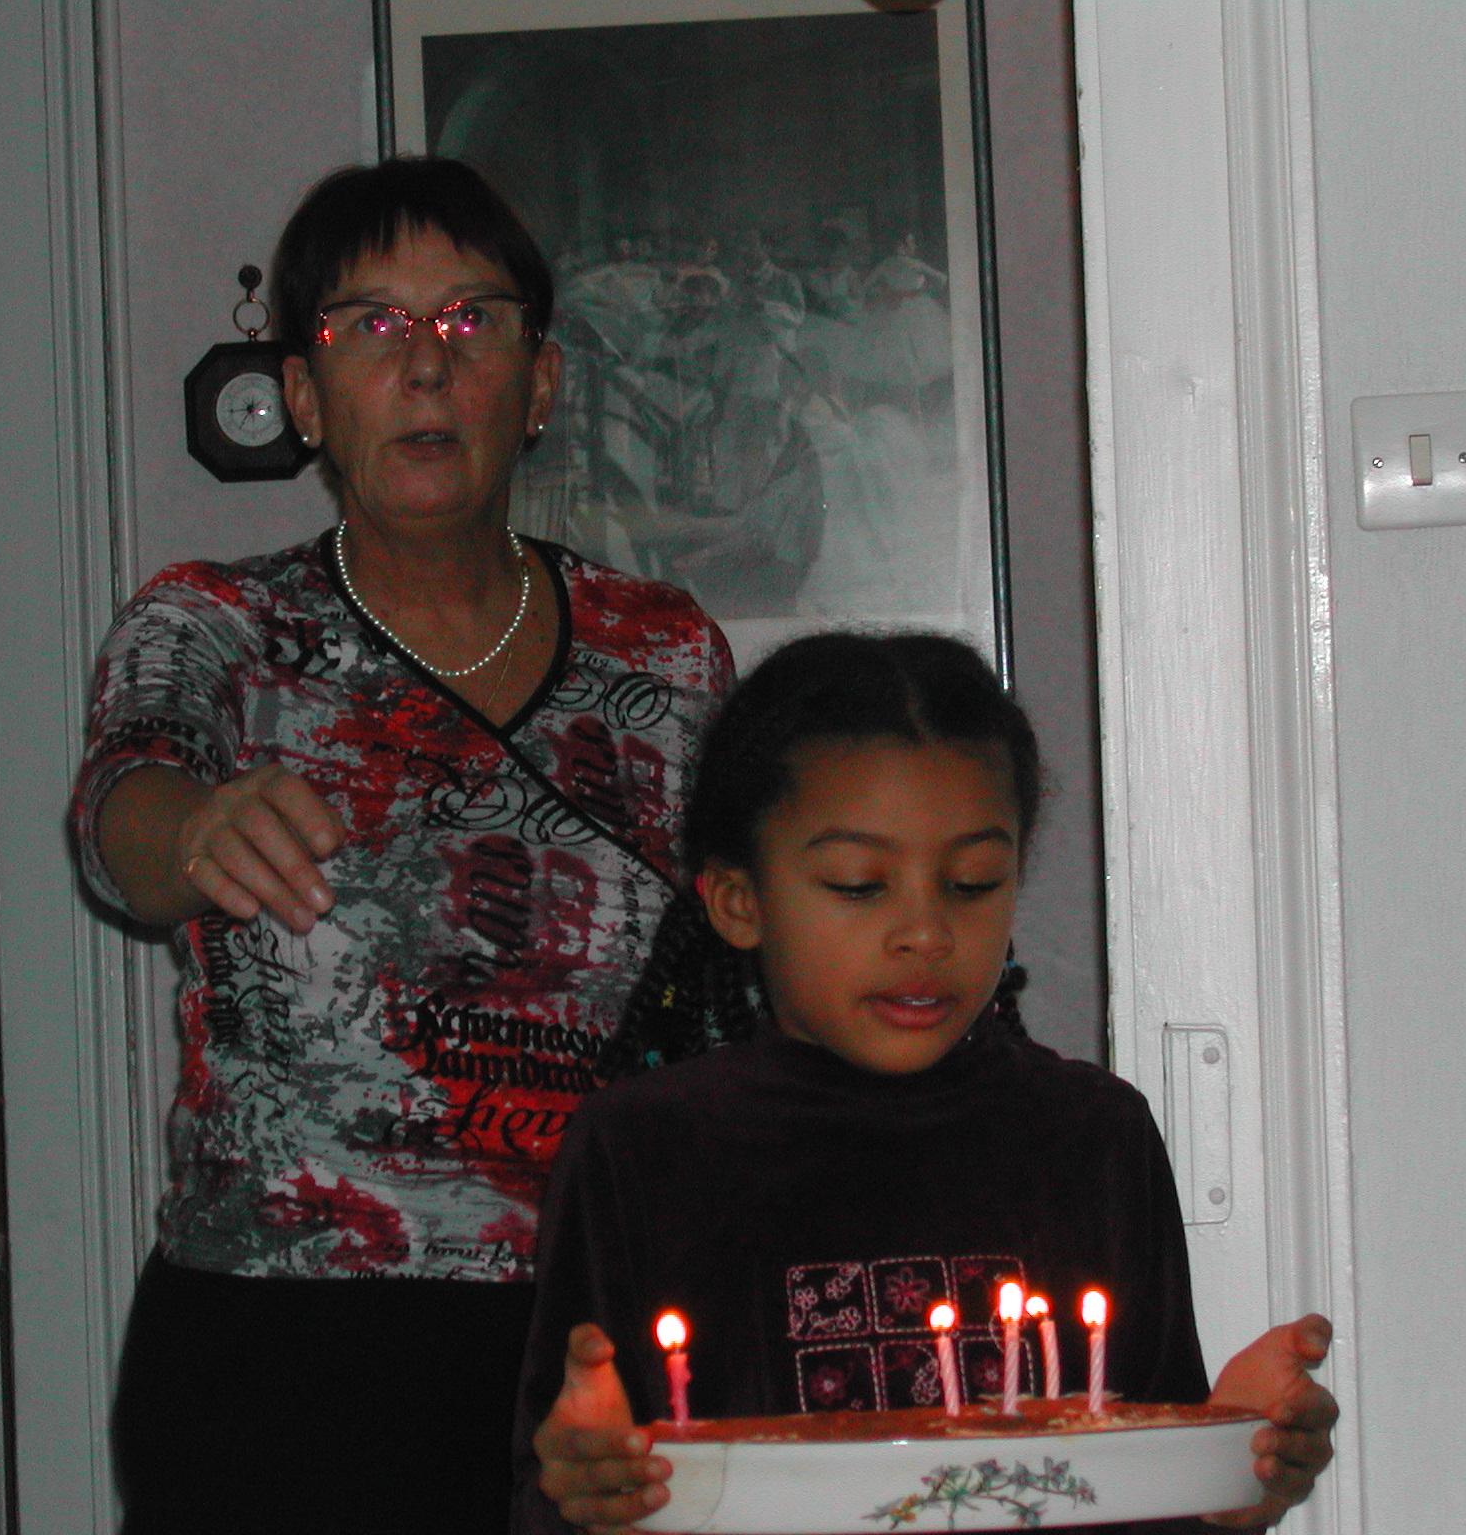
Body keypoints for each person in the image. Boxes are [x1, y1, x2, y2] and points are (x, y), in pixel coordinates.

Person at [70, 156, 732, 1534]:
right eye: (371, 324)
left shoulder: (664, 652)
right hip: (277, 1355)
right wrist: (195, 826)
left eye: (471, 320)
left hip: (593, 1335)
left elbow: (740, 959)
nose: (426, 366)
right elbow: (121, 807)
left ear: (540, 383)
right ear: (305, 395)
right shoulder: (216, 626)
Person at [515, 632, 1338, 1534]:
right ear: (739, 901)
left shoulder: (1093, 1137)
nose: (926, 932)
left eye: (972, 883)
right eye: (859, 884)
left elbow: (1151, 1494)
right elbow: (567, 1486)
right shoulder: (642, 1149)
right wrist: (588, 1491)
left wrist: (1231, 1472)